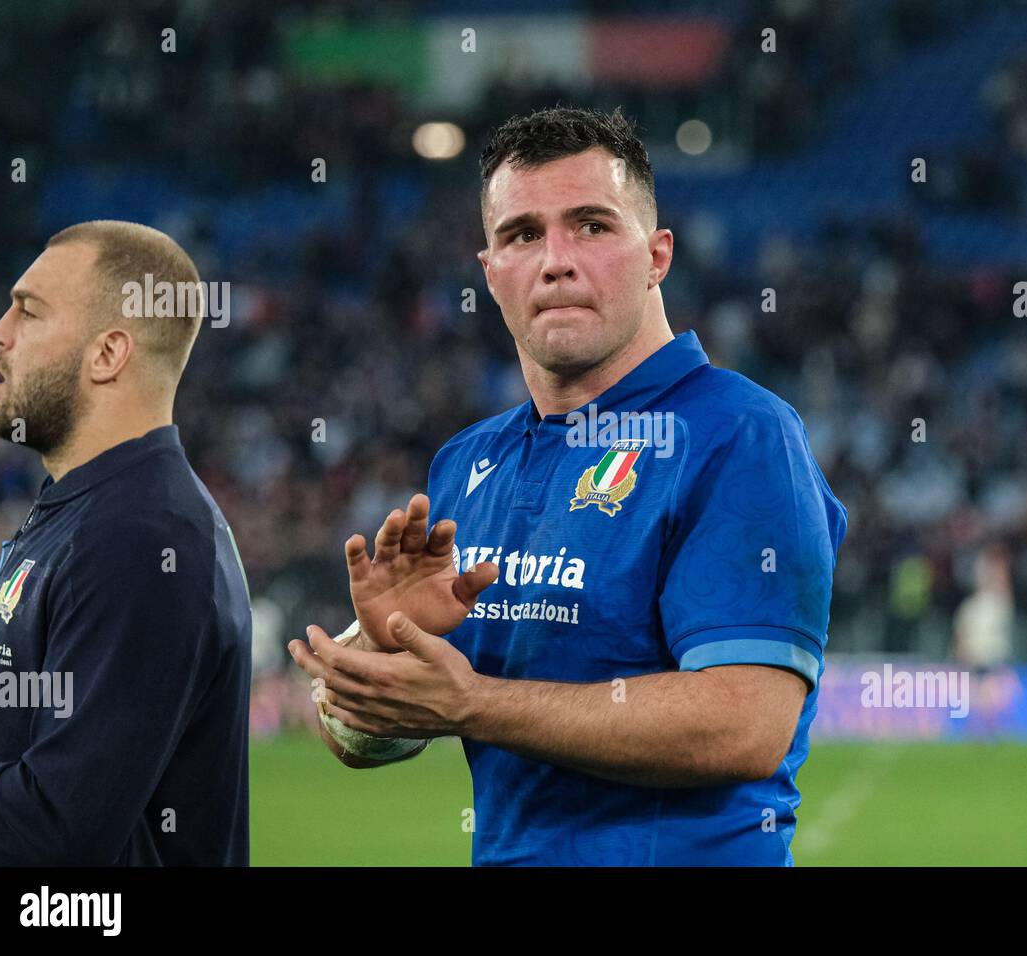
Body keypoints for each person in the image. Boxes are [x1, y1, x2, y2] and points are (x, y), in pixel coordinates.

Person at [289, 107, 847, 866]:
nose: (556, 260)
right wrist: (390, 654)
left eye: (591, 225)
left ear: (657, 256)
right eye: (522, 234)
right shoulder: (467, 462)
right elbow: (355, 740)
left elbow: (743, 723)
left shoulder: (739, 433)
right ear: (489, 273)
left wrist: (472, 704)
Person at [0, 221, 251, 865]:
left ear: (107, 354)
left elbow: (59, 825)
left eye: (28, 310)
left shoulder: (143, 538)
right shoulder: (78, 508)